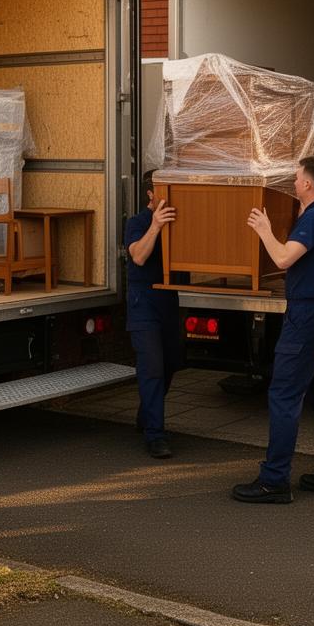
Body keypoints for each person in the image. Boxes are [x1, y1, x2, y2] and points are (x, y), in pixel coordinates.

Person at [231, 156, 314, 504]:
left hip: (307, 314)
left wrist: (263, 230)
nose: (293, 182)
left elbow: (284, 258)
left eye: (297, 177)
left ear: (306, 184)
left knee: (284, 394)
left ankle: (274, 481)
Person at [124, 171, 181, 459]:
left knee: (171, 363)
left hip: (168, 301)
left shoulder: (177, 219)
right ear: (150, 193)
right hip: (142, 301)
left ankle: (146, 415)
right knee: (153, 368)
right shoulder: (137, 222)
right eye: (164, 189)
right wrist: (156, 226)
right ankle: (155, 436)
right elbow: (138, 256)